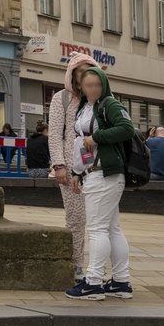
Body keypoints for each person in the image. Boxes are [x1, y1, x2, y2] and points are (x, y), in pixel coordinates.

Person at [65, 66, 135, 300]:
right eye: (88, 85)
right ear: (82, 88)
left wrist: (97, 137)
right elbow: (79, 143)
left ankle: (93, 282)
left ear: (104, 85)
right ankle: (120, 281)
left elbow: (127, 129)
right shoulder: (84, 108)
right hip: (94, 173)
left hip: (105, 174)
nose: (94, 89)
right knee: (111, 228)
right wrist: (76, 171)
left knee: (96, 229)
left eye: (98, 84)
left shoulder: (109, 104)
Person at [48, 52, 101, 282]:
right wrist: (59, 165)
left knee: (101, 221)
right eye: (80, 71)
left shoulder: (99, 99)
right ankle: (76, 264)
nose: (84, 75)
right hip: (71, 167)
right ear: (73, 74)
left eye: (89, 70)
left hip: (98, 167)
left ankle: (98, 269)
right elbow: (54, 134)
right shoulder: (62, 98)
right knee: (76, 218)